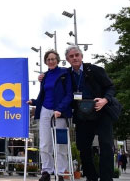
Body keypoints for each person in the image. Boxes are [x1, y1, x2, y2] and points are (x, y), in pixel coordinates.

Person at [65, 45, 115, 181]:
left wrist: (105, 100)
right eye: (71, 56)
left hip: (101, 111)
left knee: (106, 145)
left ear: (81, 56)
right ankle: (91, 177)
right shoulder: (66, 75)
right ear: (67, 59)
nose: (74, 58)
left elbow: (110, 87)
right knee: (83, 148)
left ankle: (106, 178)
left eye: (77, 55)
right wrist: (43, 76)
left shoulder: (95, 70)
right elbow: (52, 76)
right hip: (82, 115)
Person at [27, 50, 73, 181]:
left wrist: (60, 109)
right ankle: (46, 171)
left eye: (53, 59)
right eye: (48, 59)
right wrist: (34, 102)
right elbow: (43, 95)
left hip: (59, 112)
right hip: (45, 111)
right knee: (45, 143)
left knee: (60, 144)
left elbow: (69, 94)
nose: (51, 61)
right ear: (45, 61)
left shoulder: (64, 73)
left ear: (57, 60)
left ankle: (60, 172)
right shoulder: (45, 76)